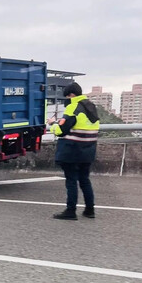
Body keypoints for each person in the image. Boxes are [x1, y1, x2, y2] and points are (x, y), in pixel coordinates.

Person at [47, 82, 100, 220]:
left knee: (71, 180)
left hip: (72, 150)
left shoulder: (72, 107)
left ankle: (71, 211)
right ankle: (90, 210)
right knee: (84, 180)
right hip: (88, 150)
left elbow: (61, 131)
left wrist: (52, 125)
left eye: (67, 96)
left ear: (71, 95)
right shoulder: (91, 106)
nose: (67, 99)